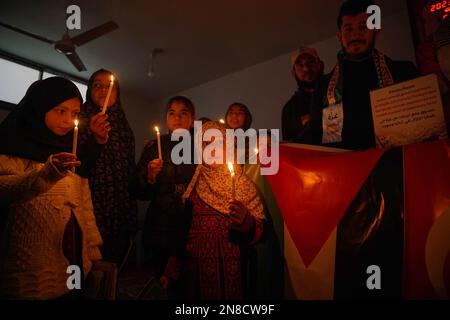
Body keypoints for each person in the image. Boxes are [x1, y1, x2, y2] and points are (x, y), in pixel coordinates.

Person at [0, 77, 103, 299]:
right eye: (60, 111)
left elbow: (84, 204)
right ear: (39, 107)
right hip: (30, 268)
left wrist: (92, 249)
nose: (68, 120)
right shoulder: (11, 147)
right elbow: (5, 190)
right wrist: (46, 174)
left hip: (75, 258)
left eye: (75, 113)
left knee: (73, 293)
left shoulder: (71, 151)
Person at [300, 0, 419, 150]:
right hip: (344, 170)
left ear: (376, 32)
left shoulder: (404, 73)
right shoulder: (324, 86)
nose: (355, 35)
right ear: (339, 36)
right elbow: (314, 135)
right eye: (348, 29)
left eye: (363, 27)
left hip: (396, 168)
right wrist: (277, 145)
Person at [182, 121, 265, 299]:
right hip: (196, 265)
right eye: (206, 143)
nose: (212, 149)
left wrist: (246, 222)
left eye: (218, 143)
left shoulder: (243, 185)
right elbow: (182, 227)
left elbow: (262, 232)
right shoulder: (194, 181)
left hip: (233, 267)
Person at [131, 96, 197, 298]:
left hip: (192, 227)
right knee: (158, 286)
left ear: (192, 119)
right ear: (166, 119)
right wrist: (150, 176)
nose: (177, 117)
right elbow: (137, 191)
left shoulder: (202, 147)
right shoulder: (153, 147)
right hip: (159, 227)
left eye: (183, 113)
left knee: (188, 285)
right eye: (172, 113)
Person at [78, 69, 138, 264]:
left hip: (120, 212)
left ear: (117, 94)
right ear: (89, 91)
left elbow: (129, 172)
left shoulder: (125, 129)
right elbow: (75, 168)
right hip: (88, 209)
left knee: (113, 270)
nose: (104, 90)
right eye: (97, 85)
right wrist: (94, 140)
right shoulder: (78, 121)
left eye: (109, 86)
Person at [282, 47, 324, 142]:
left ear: (321, 65)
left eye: (311, 62)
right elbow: (291, 146)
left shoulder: (338, 90)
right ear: (294, 73)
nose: (306, 68)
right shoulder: (289, 109)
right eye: (300, 65)